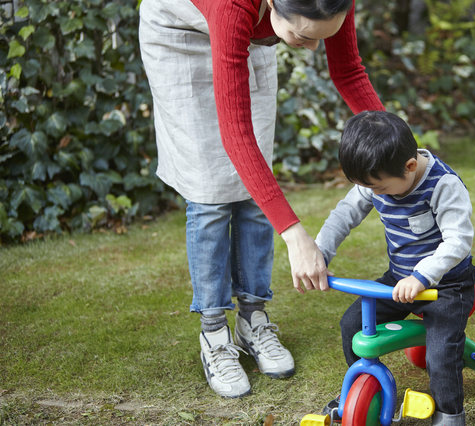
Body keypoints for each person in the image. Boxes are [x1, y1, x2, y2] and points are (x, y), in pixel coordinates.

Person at [138, 0, 384, 398]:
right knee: (211, 195)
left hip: (250, 38)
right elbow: (235, 134)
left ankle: (253, 318)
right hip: (180, 34)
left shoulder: (329, 0)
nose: (311, 50)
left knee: (255, 191)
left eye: (322, 37)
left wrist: (405, 151)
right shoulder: (232, 5)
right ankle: (215, 332)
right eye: (303, 38)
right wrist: (294, 234)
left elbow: (349, 72)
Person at [315, 111, 475, 426]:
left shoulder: (443, 185)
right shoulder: (376, 178)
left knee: (441, 355)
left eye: (380, 189)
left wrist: (422, 276)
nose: (374, 194)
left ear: (410, 167)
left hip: (445, 287)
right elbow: (345, 213)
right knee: (353, 326)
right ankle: (363, 392)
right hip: (399, 281)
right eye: (368, 187)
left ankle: (450, 414)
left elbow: (458, 241)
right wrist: (320, 252)